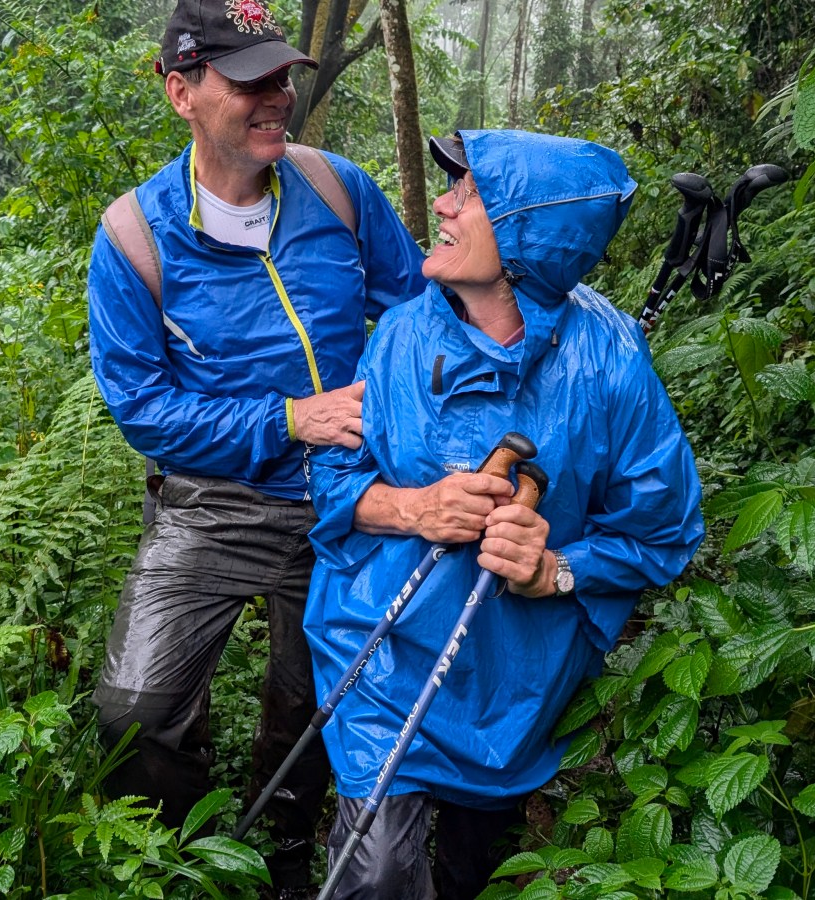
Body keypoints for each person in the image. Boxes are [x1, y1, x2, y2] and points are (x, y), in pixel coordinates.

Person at [304, 129, 705, 899]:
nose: (441, 205)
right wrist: (415, 507)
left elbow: (663, 530)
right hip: (385, 646)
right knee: (379, 871)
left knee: (473, 873)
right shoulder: (401, 336)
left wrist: (556, 570)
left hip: (515, 680)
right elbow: (335, 477)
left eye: (469, 194)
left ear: (529, 235)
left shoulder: (609, 359)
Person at [85, 0, 428, 893]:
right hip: (213, 503)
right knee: (135, 709)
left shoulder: (336, 188)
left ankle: (279, 852)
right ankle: (179, 858)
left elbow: (413, 311)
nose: (276, 96)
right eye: (249, 82)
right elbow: (143, 409)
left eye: (280, 76)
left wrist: (389, 416)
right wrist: (286, 418)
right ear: (181, 92)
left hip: (349, 492)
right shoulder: (134, 236)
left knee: (313, 700)